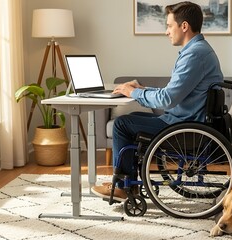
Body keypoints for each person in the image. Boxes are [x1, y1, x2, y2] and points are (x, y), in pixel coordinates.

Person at [91, 1, 223, 202]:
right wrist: (141, 89)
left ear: (184, 26)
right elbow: (173, 92)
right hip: (186, 121)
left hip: (183, 127)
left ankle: (124, 188)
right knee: (132, 118)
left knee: (121, 124)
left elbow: (168, 99)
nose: (167, 32)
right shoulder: (197, 51)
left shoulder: (195, 55)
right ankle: (128, 183)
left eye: (169, 26)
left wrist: (132, 93)